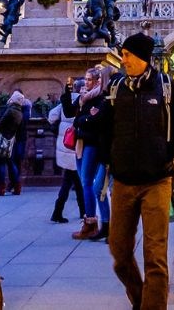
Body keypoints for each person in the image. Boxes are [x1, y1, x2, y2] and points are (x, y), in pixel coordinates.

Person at [81, 34, 174, 310]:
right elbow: (103, 125)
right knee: (118, 249)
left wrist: (167, 156)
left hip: (157, 180)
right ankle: (140, 297)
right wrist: (111, 158)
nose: (123, 59)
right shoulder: (117, 88)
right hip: (124, 181)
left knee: (155, 255)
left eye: (128, 54)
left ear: (142, 57)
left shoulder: (165, 87)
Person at [73, 67, 113, 240]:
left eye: (90, 79)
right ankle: (99, 224)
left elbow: (94, 121)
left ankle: (93, 222)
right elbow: (76, 118)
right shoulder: (86, 97)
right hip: (82, 143)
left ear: (99, 80)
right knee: (89, 185)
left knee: (89, 184)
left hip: (92, 144)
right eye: (86, 79)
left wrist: (86, 119)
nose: (86, 82)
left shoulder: (100, 98)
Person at [49, 79, 86, 224]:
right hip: (76, 145)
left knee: (75, 181)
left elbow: (51, 116)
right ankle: (59, 212)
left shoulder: (64, 102)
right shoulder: (81, 101)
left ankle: (80, 211)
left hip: (65, 144)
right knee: (74, 181)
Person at [0, 101, 24, 195]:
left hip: (3, 138)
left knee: (1, 164)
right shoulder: (20, 113)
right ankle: (17, 187)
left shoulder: (10, 111)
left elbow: (0, 124)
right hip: (11, 140)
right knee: (11, 163)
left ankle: (1, 189)